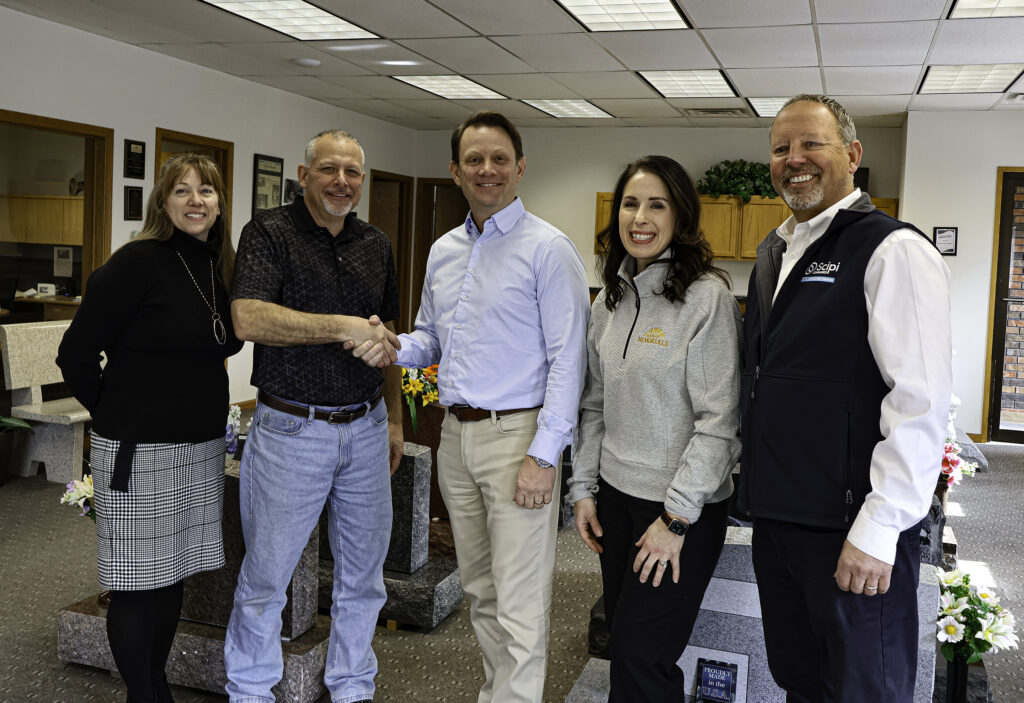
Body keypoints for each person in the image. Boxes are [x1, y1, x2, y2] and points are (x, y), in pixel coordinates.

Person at [359, 111, 590, 703]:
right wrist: (392, 344)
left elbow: (570, 362)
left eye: (499, 159)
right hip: (455, 440)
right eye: (474, 160)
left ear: (519, 168)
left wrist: (545, 455)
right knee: (481, 593)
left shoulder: (548, 249)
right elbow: (432, 339)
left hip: (518, 439)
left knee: (519, 601)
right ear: (455, 170)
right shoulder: (445, 249)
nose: (487, 170)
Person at [739, 94, 953, 702]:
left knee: (863, 689)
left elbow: (920, 401)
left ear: (852, 155)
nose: (793, 159)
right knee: (800, 682)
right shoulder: (774, 253)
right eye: (781, 148)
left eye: (811, 144)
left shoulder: (892, 250)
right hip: (782, 524)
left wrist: (880, 528)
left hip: (852, 531)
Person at [222, 129, 402, 703]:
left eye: (352, 172)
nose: (341, 182)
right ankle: (250, 690)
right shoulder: (268, 233)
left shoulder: (376, 244)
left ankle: (351, 687)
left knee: (364, 578)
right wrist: (340, 325)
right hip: (291, 429)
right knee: (266, 579)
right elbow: (248, 318)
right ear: (304, 176)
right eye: (328, 170)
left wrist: (395, 420)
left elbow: (389, 340)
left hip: (368, 428)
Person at [57, 153, 244, 703]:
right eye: (182, 191)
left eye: (205, 192)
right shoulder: (137, 263)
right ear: (163, 201)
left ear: (219, 204)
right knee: (137, 582)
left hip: (201, 448)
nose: (195, 201)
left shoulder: (220, 267)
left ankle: (154, 680)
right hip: (139, 451)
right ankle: (146, 693)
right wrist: (115, 414)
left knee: (173, 574)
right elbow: (75, 354)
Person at [568, 155, 741, 702]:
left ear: (681, 217)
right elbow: (594, 406)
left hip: (675, 510)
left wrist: (677, 518)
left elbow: (720, 424)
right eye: (630, 203)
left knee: (644, 656)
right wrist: (583, 490)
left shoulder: (706, 297)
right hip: (617, 502)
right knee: (627, 646)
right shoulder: (611, 300)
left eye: (656, 205)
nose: (639, 217)